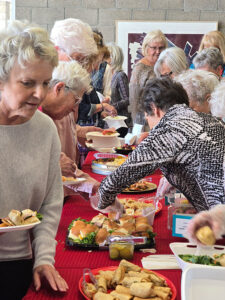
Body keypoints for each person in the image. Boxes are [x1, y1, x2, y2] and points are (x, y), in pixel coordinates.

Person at [0, 23, 68, 299]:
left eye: (45, 83)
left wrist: (44, 259)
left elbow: (50, 202)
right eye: (28, 83)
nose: (40, 94)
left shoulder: (44, 129)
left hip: (20, 263)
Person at [97, 78, 225, 212]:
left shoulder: (171, 126)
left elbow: (121, 176)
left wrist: (105, 200)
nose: (148, 120)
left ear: (154, 108)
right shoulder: (213, 120)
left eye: (147, 115)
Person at [42, 60, 100, 198]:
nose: (75, 108)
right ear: (59, 89)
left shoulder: (55, 112)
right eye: (76, 100)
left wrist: (84, 132)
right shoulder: (32, 115)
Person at [129, 29, 167, 127]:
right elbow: (134, 100)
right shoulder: (139, 68)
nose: (158, 51)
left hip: (164, 119)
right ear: (146, 48)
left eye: (161, 48)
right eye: (154, 48)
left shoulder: (166, 65)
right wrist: (137, 126)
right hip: (145, 121)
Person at [107, 43, 132, 135]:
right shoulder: (110, 74)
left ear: (113, 57)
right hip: (112, 120)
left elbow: (126, 99)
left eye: (107, 56)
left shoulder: (120, 75)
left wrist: (112, 106)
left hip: (120, 121)